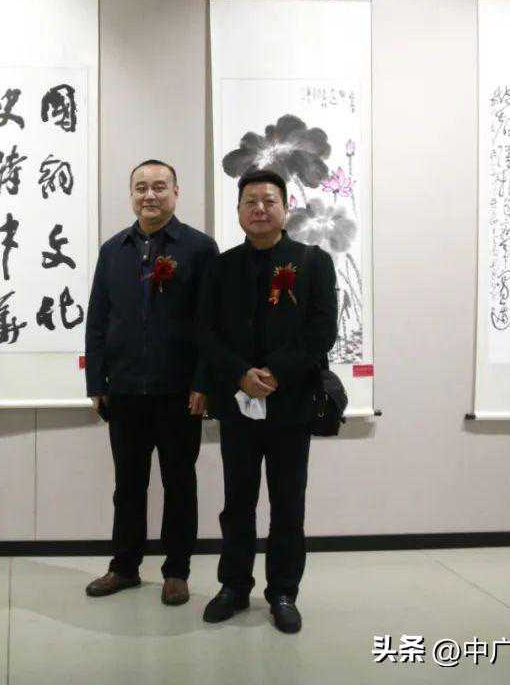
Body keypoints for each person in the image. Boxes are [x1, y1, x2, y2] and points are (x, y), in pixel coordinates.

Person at [196, 169, 337, 633]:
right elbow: (205, 332)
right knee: (237, 502)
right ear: (238, 211)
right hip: (237, 405)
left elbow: (322, 330)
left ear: (285, 208)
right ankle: (234, 586)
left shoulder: (313, 262)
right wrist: (241, 373)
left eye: (269, 200)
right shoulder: (221, 267)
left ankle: (283, 592)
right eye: (250, 201)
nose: (259, 208)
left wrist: (275, 371)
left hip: (291, 404)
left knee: (288, 504)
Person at [83, 159, 218, 606]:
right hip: (124, 390)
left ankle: (176, 571)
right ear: (131, 195)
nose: (150, 195)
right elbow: (97, 320)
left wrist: (204, 381)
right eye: (141, 187)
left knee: (179, 483)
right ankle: (124, 566)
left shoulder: (199, 248)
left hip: (180, 391)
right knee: (128, 485)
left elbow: (211, 323)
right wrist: (96, 382)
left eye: (160, 186)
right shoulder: (113, 250)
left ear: (176, 192)